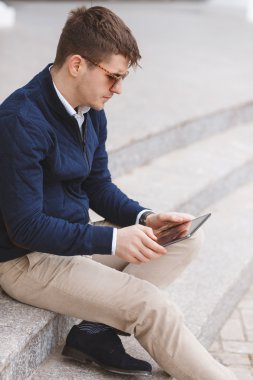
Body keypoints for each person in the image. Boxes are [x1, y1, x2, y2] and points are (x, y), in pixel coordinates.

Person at [0, 6, 237, 380]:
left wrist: (145, 218)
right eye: (113, 77)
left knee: (185, 238)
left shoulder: (91, 107)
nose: (119, 89)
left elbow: (98, 185)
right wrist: (112, 239)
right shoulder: (20, 121)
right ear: (77, 64)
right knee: (151, 306)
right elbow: (26, 227)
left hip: (73, 241)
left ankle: (95, 331)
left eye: (123, 78)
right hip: (28, 260)